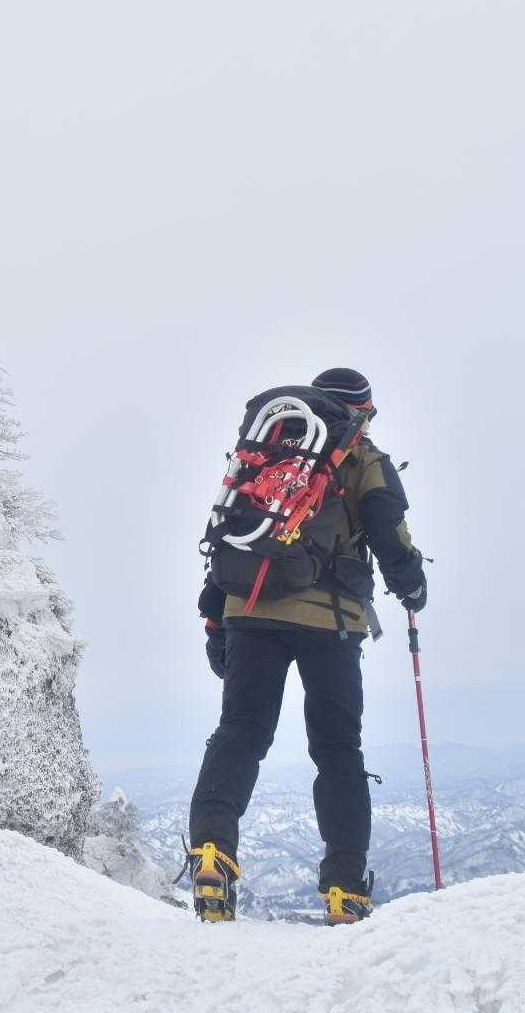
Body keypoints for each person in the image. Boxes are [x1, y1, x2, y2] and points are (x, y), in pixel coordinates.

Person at [188, 367, 426, 924]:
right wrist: (412, 586)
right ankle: (345, 889)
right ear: (361, 412)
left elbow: (230, 534)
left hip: (248, 611)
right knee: (338, 749)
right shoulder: (363, 459)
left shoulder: (263, 453)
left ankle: (213, 851)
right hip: (332, 623)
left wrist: (216, 618)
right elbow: (390, 534)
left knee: (241, 730)